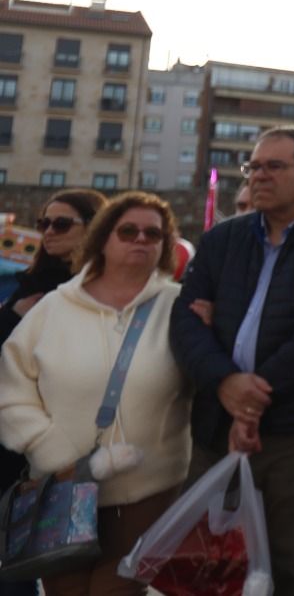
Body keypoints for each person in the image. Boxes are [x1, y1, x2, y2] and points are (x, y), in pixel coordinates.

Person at [169, 126, 294, 596]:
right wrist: (224, 382)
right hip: (214, 428)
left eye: (272, 166)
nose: (258, 176)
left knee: (289, 568)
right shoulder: (223, 238)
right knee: (201, 565)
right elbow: (185, 319)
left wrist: (253, 395)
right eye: (253, 166)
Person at [0, 191, 191, 596]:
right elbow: (10, 386)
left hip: (148, 489)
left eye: (153, 233)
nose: (141, 239)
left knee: (114, 591)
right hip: (60, 484)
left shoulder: (181, 306)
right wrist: (50, 451)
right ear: (103, 238)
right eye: (128, 230)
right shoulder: (54, 307)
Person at [0, 189, 106, 511]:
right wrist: (12, 315)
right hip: (16, 429)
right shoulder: (30, 284)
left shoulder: (101, 290)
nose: (48, 231)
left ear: (93, 227)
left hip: (75, 431)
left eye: (61, 224)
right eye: (44, 223)